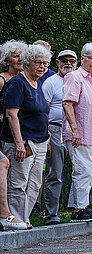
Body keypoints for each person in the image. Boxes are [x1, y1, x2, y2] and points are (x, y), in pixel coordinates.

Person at [0, 44, 51, 227]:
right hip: (22, 142)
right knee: (18, 182)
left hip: (39, 141)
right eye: (38, 63)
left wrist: (47, 134)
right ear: (27, 63)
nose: (42, 67)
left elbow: (40, 112)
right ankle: (13, 220)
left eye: (45, 63)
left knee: (35, 183)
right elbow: (11, 115)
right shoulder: (17, 83)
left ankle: (25, 218)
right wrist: (19, 144)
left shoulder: (37, 84)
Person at [62, 43, 92, 222]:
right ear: (82, 58)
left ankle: (83, 206)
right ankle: (78, 210)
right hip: (80, 134)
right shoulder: (74, 77)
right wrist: (74, 130)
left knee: (90, 172)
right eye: (91, 57)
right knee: (83, 171)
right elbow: (67, 103)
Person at [41, 49, 77, 224]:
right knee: (55, 172)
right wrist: (45, 134)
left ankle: (81, 209)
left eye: (72, 60)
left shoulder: (79, 81)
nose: (68, 63)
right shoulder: (50, 82)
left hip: (76, 131)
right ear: (57, 62)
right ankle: (51, 214)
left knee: (83, 171)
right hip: (55, 129)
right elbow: (42, 111)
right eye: (64, 60)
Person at [0, 40, 28, 132]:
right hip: (5, 128)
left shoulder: (27, 79)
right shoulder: (2, 80)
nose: (20, 59)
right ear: (7, 61)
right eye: (16, 56)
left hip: (23, 126)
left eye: (22, 56)